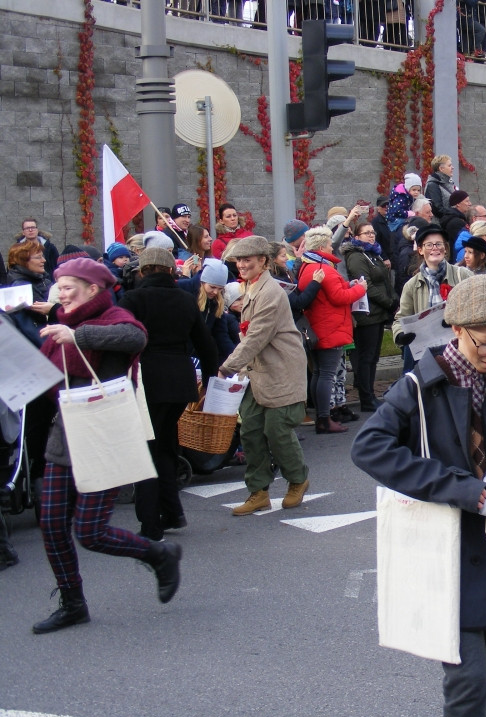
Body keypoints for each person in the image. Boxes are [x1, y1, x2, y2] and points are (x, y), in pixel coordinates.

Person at [351, 273, 486, 717]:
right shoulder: (420, 386)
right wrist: (463, 489)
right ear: (458, 329)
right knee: (470, 687)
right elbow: (368, 447)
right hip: (447, 554)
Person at [32, 257, 181, 634]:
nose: (60, 294)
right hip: (65, 435)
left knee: (91, 532)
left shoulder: (113, 318)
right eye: (59, 287)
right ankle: (73, 602)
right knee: (50, 523)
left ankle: (159, 554)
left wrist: (77, 337)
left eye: (68, 287)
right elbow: (46, 380)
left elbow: (136, 338)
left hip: (105, 436)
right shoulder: (61, 325)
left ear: (93, 289)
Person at [119, 247, 219, 541]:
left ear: (143, 270)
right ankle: (173, 512)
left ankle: (150, 523)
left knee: (147, 450)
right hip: (180, 380)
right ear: (170, 271)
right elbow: (206, 344)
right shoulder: (185, 299)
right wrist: (210, 382)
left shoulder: (132, 299)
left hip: (146, 380)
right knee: (165, 446)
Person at [220, 236, 311, 516]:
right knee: (250, 431)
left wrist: (227, 366)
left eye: (248, 260)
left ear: (263, 261)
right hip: (258, 373)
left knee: (277, 430)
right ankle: (258, 492)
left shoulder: (270, 292)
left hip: (281, 370)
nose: (242, 265)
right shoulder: (249, 287)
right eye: (238, 260)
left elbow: (256, 337)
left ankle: (297, 480)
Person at [299, 226, 365, 433]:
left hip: (318, 326)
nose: (331, 247)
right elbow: (339, 297)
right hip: (330, 327)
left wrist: (348, 285)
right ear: (321, 246)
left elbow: (332, 290)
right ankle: (324, 419)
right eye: (329, 244)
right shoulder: (324, 268)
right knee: (326, 374)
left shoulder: (308, 266)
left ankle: (321, 416)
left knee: (319, 373)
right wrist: (360, 289)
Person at [393, 224, 473, 372]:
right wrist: (401, 334)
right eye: (429, 245)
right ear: (420, 250)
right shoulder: (411, 285)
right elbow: (401, 318)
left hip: (460, 349)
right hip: (427, 352)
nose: (434, 248)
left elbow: (477, 308)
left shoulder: (463, 276)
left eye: (438, 244)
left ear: (445, 248)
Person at [342, 222, 397, 412]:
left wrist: (394, 299)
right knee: (365, 357)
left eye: (372, 233)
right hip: (367, 313)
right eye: (366, 233)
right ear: (356, 237)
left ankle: (370, 393)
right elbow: (367, 286)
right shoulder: (356, 257)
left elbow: (384, 282)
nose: (371, 236)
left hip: (378, 313)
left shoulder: (373, 254)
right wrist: (389, 303)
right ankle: (366, 396)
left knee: (373, 357)